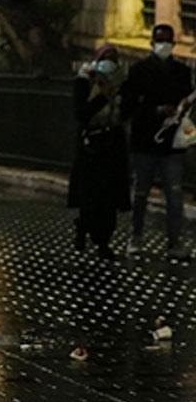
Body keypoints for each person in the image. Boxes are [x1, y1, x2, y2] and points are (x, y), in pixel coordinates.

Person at [119, 23, 193, 259]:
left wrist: (179, 111)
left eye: (168, 41)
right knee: (141, 192)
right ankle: (136, 237)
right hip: (145, 141)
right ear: (152, 43)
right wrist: (155, 110)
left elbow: (187, 100)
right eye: (160, 41)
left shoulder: (181, 71)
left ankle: (174, 242)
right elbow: (129, 105)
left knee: (174, 194)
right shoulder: (139, 70)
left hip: (172, 143)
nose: (164, 46)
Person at [69, 46, 131, 260]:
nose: (110, 62)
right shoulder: (85, 81)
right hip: (91, 146)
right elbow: (81, 113)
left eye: (114, 59)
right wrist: (103, 96)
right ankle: (84, 225)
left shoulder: (121, 82)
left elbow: (127, 110)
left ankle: (103, 241)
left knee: (109, 197)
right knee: (90, 195)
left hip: (112, 145)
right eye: (105, 58)